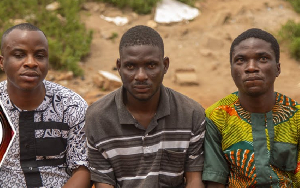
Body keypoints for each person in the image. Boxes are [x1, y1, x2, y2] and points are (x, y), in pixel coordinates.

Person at [85, 25, 206, 188]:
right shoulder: (98, 118)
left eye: (150, 65)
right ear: (119, 67)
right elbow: (104, 184)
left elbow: (194, 180)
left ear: (165, 65)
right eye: (130, 66)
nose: (141, 76)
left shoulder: (191, 114)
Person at [202, 28, 300, 187]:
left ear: (278, 68)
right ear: (232, 70)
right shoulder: (217, 116)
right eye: (241, 60)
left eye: (263, 58)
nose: (251, 67)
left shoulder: (296, 116)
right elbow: (215, 181)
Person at [0, 23, 90, 187]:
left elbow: (83, 169)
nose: (31, 63)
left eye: (40, 56)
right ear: (2, 62)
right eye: (19, 55)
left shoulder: (71, 106)